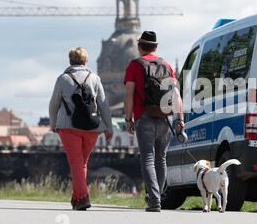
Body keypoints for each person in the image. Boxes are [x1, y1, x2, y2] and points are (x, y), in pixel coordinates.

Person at [124, 31, 184, 212]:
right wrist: (180, 119)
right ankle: (157, 197)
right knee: (161, 159)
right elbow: (176, 95)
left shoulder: (134, 66)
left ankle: (154, 199)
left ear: (139, 46)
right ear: (156, 47)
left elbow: (129, 95)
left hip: (144, 116)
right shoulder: (166, 65)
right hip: (165, 118)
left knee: (148, 159)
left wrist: (128, 119)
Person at [49, 47, 113, 211]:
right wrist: (109, 127)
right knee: (82, 163)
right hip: (92, 127)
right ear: (85, 62)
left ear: (70, 61)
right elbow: (103, 105)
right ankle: (77, 198)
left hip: (68, 127)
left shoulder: (63, 79)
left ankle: (83, 197)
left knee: (76, 162)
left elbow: (54, 104)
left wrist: (53, 123)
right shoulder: (95, 78)